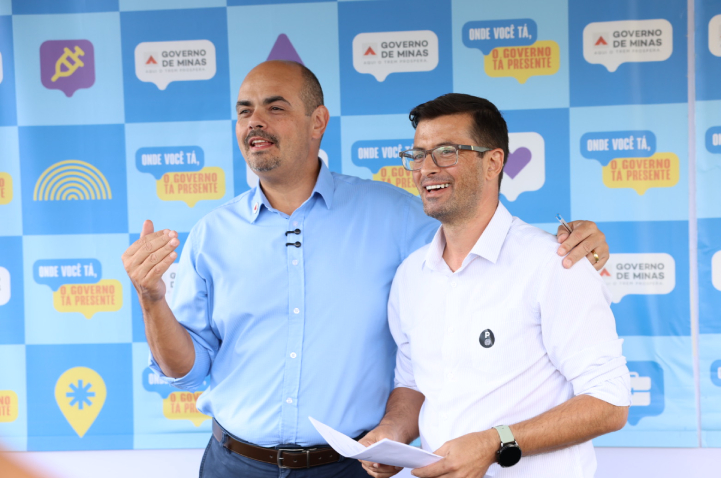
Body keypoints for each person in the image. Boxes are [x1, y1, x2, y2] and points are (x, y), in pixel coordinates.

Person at [121, 61, 612, 478]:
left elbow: (480, 228)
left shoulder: (398, 215)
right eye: (244, 110)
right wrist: (152, 299)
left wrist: (582, 242)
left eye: (275, 107)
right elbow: (187, 370)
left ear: (318, 122)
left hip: (345, 468)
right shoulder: (210, 233)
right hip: (233, 463)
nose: (255, 122)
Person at [359, 94, 630, 478]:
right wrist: (392, 433)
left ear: (493, 162)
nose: (427, 169)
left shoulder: (555, 264)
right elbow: (414, 384)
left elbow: (610, 402)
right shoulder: (410, 275)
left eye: (446, 152)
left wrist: (495, 443)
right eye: (418, 155)